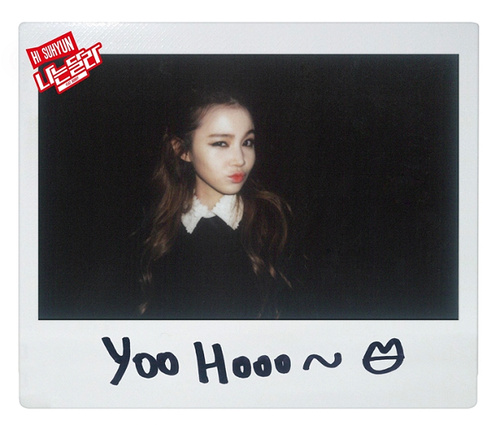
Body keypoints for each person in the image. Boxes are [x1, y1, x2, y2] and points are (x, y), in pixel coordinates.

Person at [137, 89, 298, 319]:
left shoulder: (276, 224)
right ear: (182, 150)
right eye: (221, 143)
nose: (240, 159)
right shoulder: (156, 228)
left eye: (248, 142)